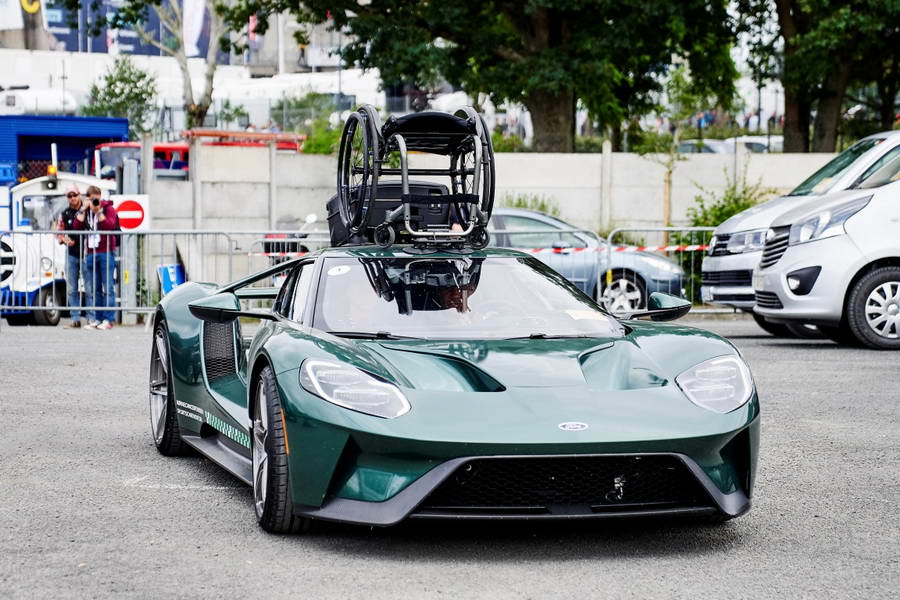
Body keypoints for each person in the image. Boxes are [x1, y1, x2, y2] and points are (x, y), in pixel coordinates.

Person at [72, 186, 119, 330]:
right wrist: (83, 209)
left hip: (106, 251)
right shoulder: (86, 211)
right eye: (91, 199)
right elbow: (76, 226)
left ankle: (108, 319)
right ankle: (97, 318)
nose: (94, 201)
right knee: (95, 288)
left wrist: (98, 212)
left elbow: (109, 226)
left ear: (99, 196)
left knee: (108, 288)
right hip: (91, 252)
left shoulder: (108, 209)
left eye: (96, 199)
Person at [56, 185, 86, 328]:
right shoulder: (65, 213)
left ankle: (92, 319)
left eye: (74, 195)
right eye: (69, 196)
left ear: (79, 194)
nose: (72, 198)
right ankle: (75, 319)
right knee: (72, 288)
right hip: (72, 253)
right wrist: (64, 239)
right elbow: (58, 232)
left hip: (87, 252)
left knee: (90, 287)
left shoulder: (87, 210)